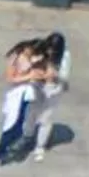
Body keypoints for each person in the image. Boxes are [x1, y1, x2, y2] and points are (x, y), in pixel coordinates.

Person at [0, 37, 51, 170]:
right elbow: (10, 78)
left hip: (27, 95)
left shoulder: (35, 58)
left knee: (20, 125)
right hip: (16, 95)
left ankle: (3, 151)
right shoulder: (17, 58)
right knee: (11, 126)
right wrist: (29, 76)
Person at [23, 30, 70, 161]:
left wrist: (55, 73)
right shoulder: (40, 48)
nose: (50, 52)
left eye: (53, 51)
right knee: (31, 112)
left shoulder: (65, 56)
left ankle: (40, 147)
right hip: (37, 85)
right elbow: (28, 61)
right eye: (49, 48)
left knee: (45, 119)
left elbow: (64, 75)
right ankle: (27, 137)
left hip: (53, 90)